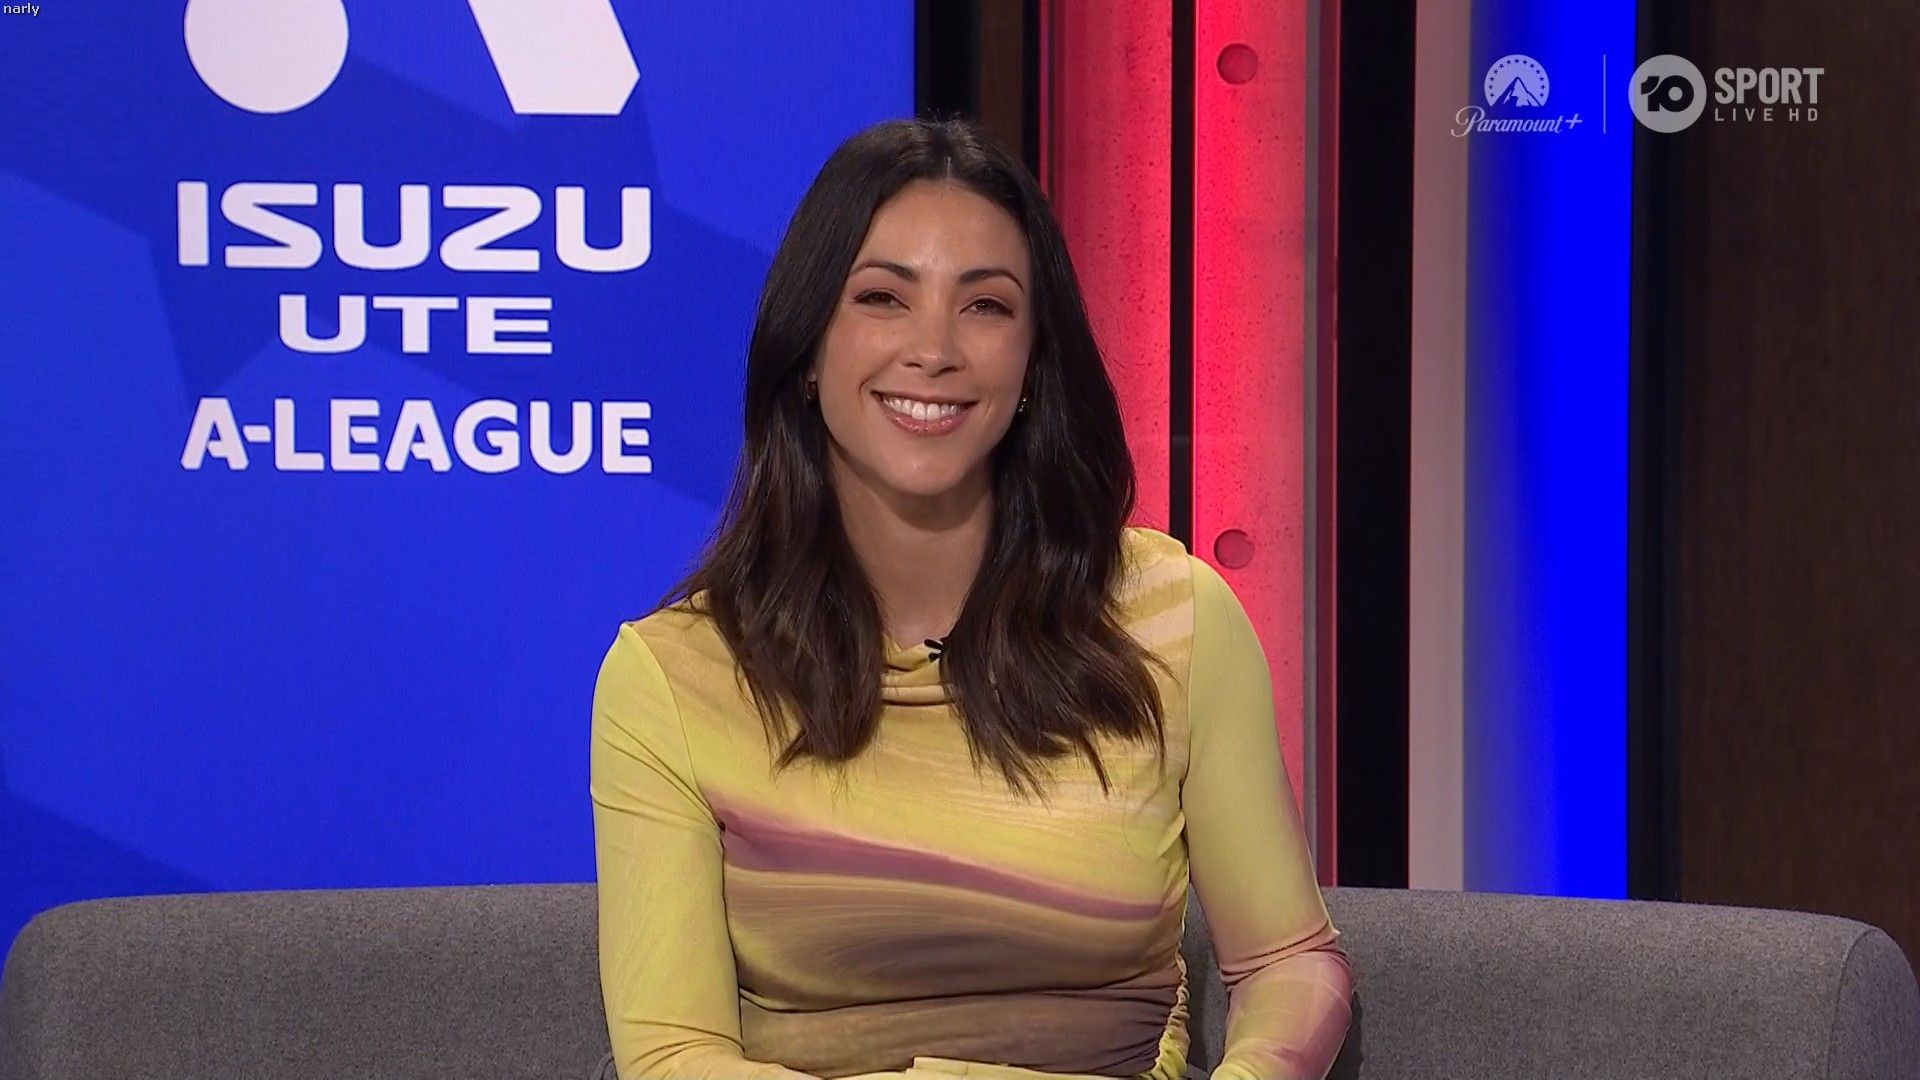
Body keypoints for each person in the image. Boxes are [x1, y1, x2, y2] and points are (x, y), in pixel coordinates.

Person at [590, 116, 1353, 1080]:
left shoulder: (1174, 623)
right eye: (883, 298)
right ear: (809, 347)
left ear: (1032, 366)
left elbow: (1291, 963)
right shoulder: (674, 676)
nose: (935, 349)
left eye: (986, 306)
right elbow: (672, 1055)